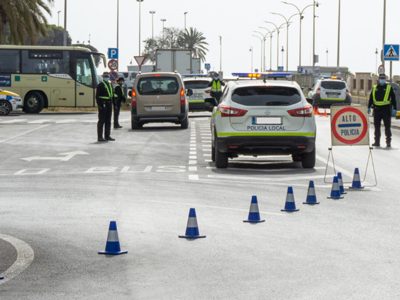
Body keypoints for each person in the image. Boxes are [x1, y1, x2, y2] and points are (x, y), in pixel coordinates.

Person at [368, 74, 397, 147]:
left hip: (386, 110)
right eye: (381, 78)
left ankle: (388, 142)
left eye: (383, 78)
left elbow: (393, 99)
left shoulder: (388, 88)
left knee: (387, 127)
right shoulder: (375, 87)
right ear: (378, 79)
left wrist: (395, 108)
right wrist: (368, 107)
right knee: (376, 127)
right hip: (376, 110)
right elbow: (371, 98)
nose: (382, 79)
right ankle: (377, 142)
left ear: (385, 79)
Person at [96, 72, 115, 142]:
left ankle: (107, 136)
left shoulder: (110, 84)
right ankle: (100, 137)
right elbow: (97, 96)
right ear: (103, 77)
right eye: (105, 76)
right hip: (103, 104)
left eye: (108, 76)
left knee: (108, 121)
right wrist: (99, 106)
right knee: (101, 121)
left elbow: (112, 95)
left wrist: (114, 104)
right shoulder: (100, 85)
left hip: (109, 104)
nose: (107, 77)